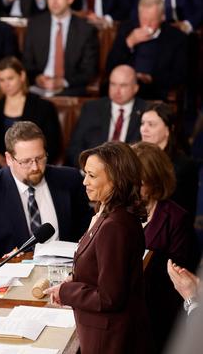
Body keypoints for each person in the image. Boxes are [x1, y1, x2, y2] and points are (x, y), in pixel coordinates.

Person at [44, 141, 151, 354]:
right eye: (85, 174)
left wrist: (66, 291)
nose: (84, 182)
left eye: (92, 176)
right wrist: (75, 280)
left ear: (116, 180)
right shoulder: (108, 215)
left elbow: (110, 297)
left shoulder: (115, 226)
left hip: (109, 340)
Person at [0, 121, 91, 261]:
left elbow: (88, 233)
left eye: (40, 158)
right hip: (10, 277)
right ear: (9, 159)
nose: (35, 167)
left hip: (64, 273)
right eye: (26, 161)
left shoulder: (70, 179)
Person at [132, 141, 199, 351]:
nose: (132, 188)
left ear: (155, 181)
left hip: (157, 309)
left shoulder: (177, 218)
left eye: (139, 182)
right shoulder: (119, 211)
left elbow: (178, 274)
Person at [0, 56, 61, 169]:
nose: (6, 84)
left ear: (22, 76)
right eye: (2, 80)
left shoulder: (43, 107)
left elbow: (52, 145)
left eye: (10, 78)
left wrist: (27, 161)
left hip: (33, 166)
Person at [105, 0, 187, 101]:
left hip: (155, 89)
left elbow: (179, 75)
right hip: (124, 87)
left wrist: (151, 78)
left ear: (162, 17)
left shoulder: (176, 38)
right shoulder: (127, 30)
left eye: (152, 20)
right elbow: (110, 66)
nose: (147, 25)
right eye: (143, 19)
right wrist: (129, 43)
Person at [23, 0, 99, 96]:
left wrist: (63, 82)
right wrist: (37, 78)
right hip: (38, 88)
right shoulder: (35, 25)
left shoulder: (85, 30)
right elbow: (26, 63)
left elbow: (89, 71)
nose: (54, 1)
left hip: (70, 88)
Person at [66, 65, 146, 167]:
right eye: (113, 84)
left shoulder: (145, 111)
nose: (117, 90)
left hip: (129, 172)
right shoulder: (91, 108)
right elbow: (74, 147)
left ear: (135, 88)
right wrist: (88, 169)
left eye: (123, 85)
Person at [140, 102, 198, 215]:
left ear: (168, 129)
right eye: (142, 123)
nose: (144, 129)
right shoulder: (135, 156)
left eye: (151, 124)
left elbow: (181, 212)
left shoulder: (183, 166)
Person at [133, 0, 203, 34]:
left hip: (182, 30)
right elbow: (134, 14)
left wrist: (187, 25)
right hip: (152, 31)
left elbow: (200, 9)